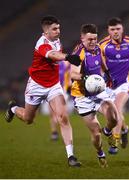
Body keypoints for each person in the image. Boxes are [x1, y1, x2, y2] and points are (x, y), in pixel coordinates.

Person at [5, 15, 82, 167]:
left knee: (63, 117)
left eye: (58, 28)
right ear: (46, 31)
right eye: (54, 29)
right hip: (36, 85)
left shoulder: (56, 39)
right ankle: (13, 108)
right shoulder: (42, 43)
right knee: (28, 119)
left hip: (53, 85)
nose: (58, 31)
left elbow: (56, 55)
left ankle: (71, 156)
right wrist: (68, 57)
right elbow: (52, 54)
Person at [70, 24, 119, 167]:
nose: (92, 42)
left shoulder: (97, 48)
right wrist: (85, 78)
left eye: (94, 39)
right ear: (82, 38)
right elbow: (72, 73)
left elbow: (102, 62)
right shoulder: (78, 53)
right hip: (82, 96)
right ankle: (100, 153)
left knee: (114, 117)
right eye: (89, 39)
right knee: (96, 133)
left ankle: (108, 131)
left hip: (98, 90)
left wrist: (108, 74)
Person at [99, 17, 129, 154]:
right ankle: (125, 129)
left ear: (122, 29)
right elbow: (98, 62)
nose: (115, 32)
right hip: (109, 85)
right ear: (108, 30)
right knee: (112, 115)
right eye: (112, 29)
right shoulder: (102, 45)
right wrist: (102, 74)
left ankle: (114, 141)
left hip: (126, 84)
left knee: (117, 107)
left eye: (118, 29)